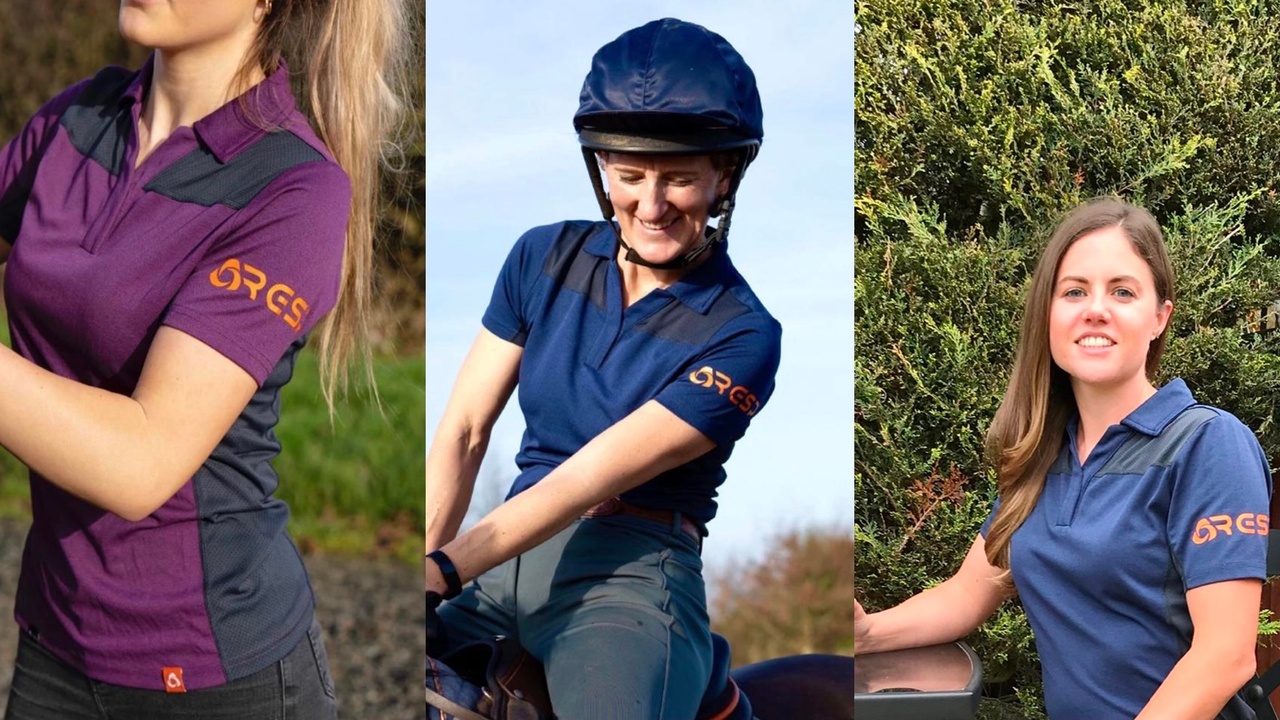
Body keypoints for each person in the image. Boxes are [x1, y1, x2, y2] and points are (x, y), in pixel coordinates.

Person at [0, 1, 409, 717]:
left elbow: (143, 459)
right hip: (53, 644)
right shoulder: (77, 118)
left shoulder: (296, 189)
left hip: (216, 680)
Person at [424, 17, 781, 720]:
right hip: (497, 572)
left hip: (629, 581)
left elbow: (591, 473)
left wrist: (448, 566)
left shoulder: (743, 334)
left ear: (723, 177)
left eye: (679, 179)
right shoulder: (541, 258)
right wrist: (426, 566)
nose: (650, 205)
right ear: (601, 171)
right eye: (629, 176)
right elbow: (466, 430)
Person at [854, 197, 1271, 720]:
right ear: (1048, 314)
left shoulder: (1208, 445)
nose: (1095, 308)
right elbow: (967, 593)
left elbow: (1225, 656)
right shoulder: (1041, 456)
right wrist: (867, 633)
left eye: (1122, 291)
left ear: (1160, 316)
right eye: (1074, 291)